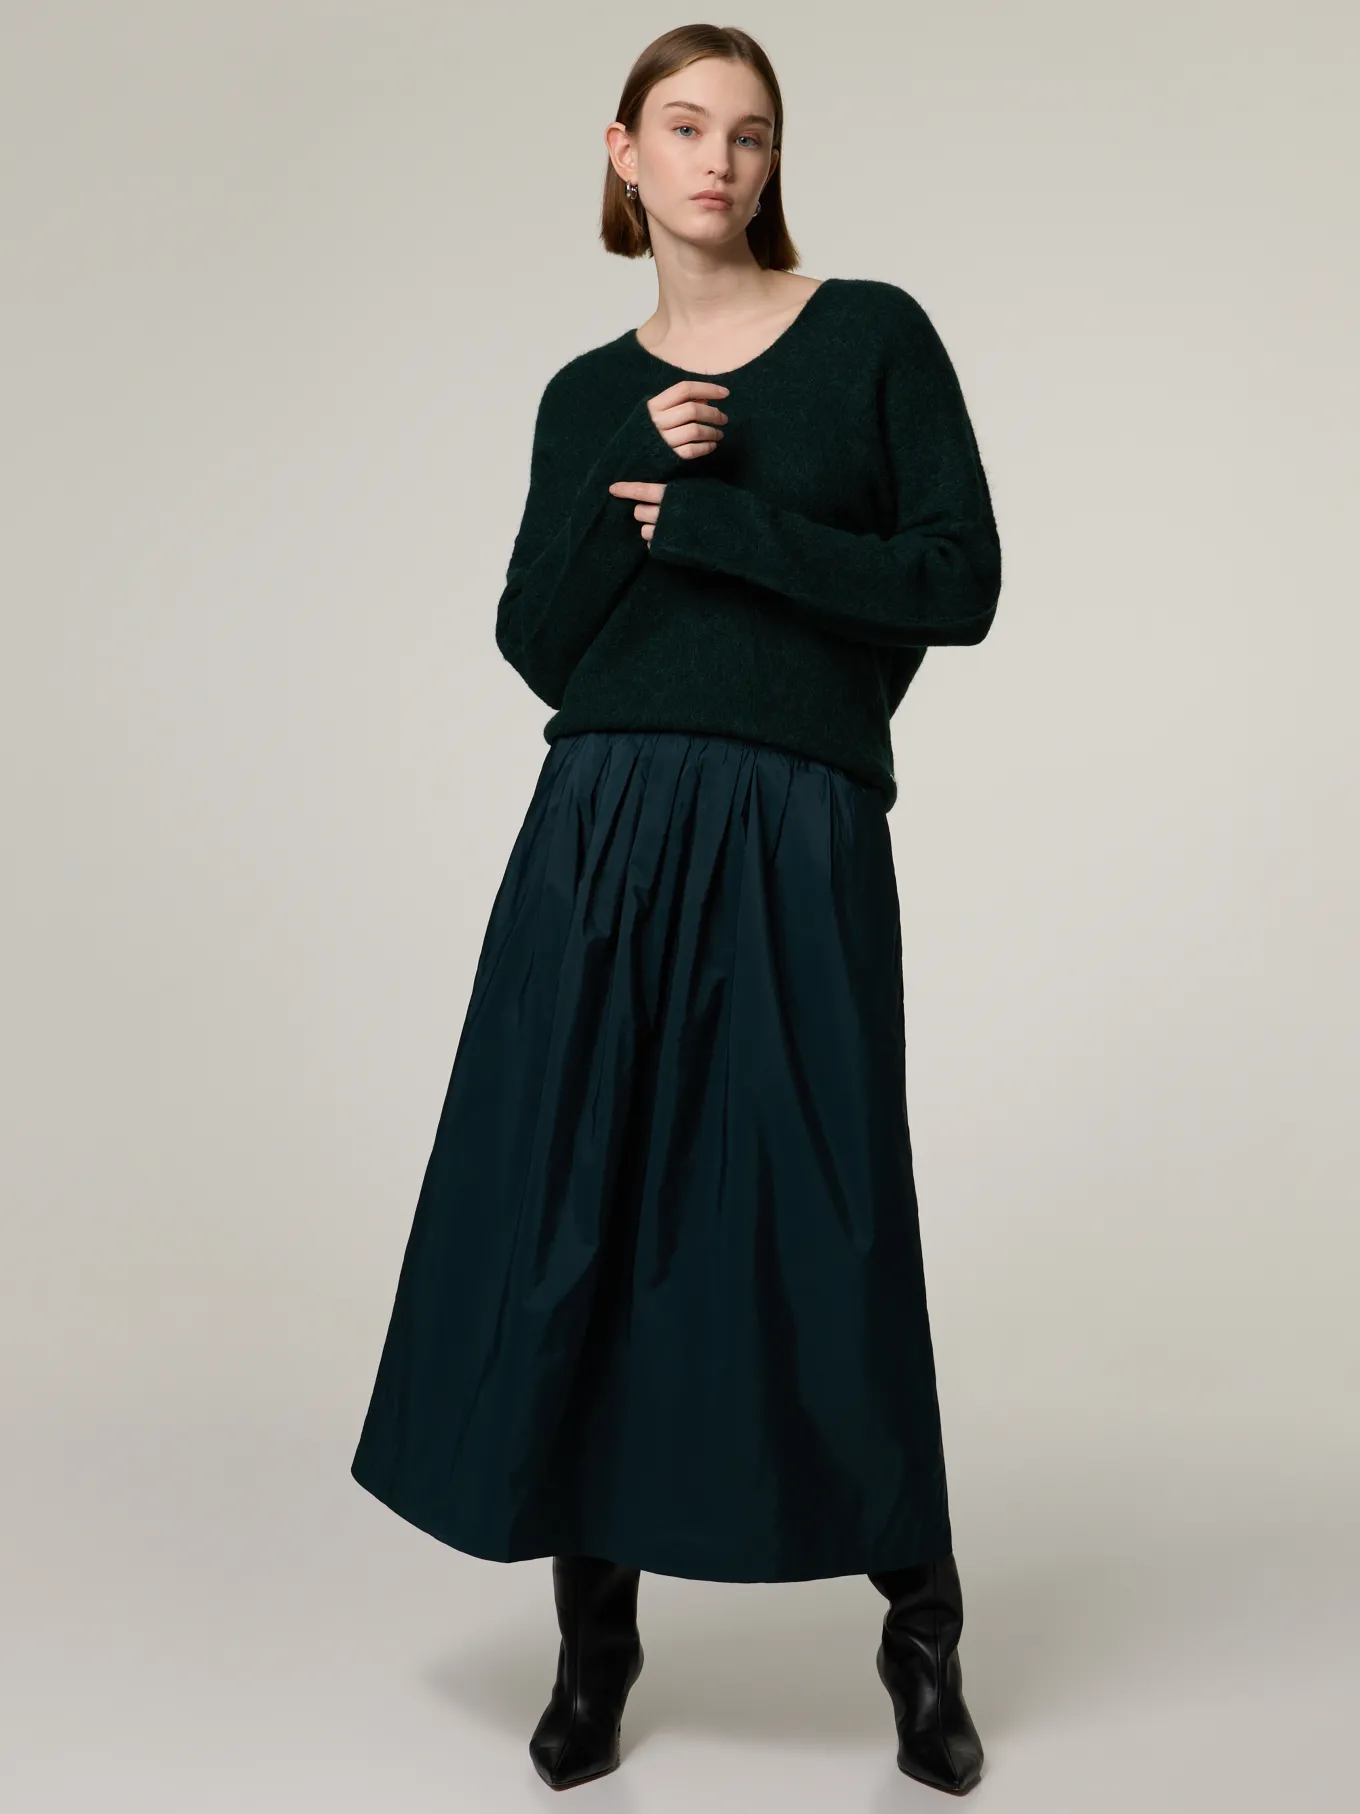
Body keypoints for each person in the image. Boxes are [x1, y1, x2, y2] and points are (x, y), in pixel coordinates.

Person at [350, 22, 1002, 1798]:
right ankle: (597, 1642)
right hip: (603, 819)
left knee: (827, 1211)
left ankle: (922, 1630)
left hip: (794, 814)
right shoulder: (588, 394)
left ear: (776, 162)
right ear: (624, 151)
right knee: (588, 1196)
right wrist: (626, 483)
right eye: (689, 126)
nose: (721, 160)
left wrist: (721, 526)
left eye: (753, 133)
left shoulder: (870, 335)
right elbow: (536, 640)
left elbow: (960, 581)